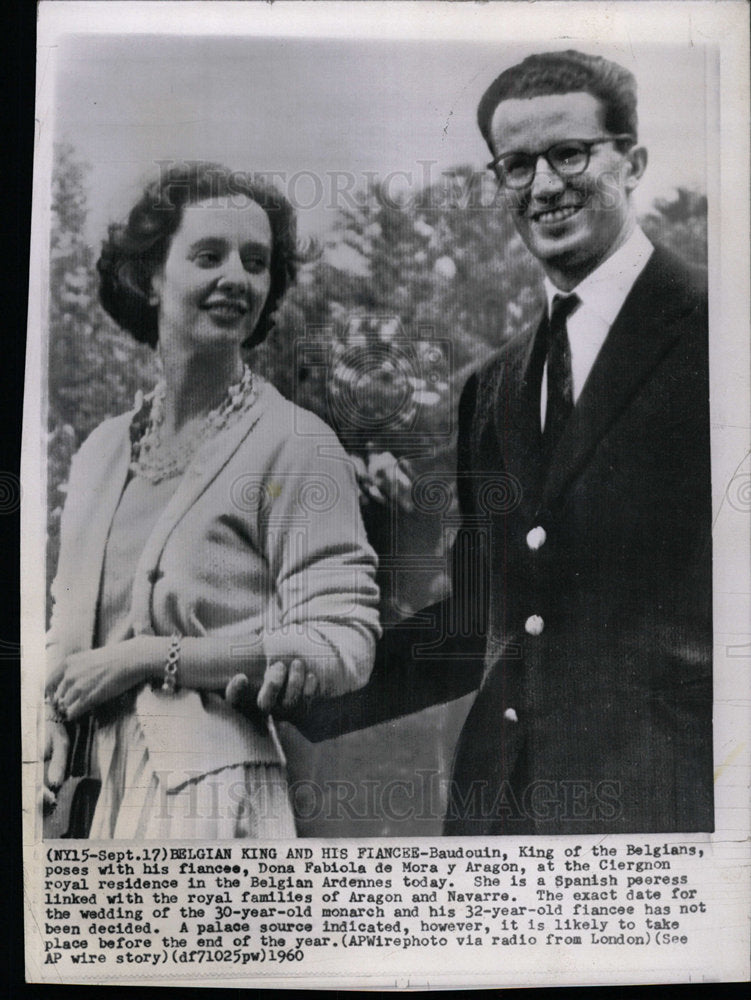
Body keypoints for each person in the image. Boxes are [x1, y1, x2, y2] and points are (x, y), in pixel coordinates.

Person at [286, 49, 713, 836]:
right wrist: (296, 680)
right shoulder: (494, 385)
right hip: (497, 817)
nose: (543, 185)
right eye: (515, 166)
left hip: (670, 818)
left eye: (569, 153)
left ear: (634, 161)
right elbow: (473, 624)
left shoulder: (721, 339)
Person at [43, 161, 380, 838]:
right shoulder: (100, 451)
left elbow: (341, 638)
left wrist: (151, 658)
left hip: (207, 797)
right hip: (77, 793)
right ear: (148, 276)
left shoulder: (296, 443)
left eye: (256, 262)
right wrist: (48, 716)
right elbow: (64, 629)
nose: (237, 278)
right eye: (208, 255)